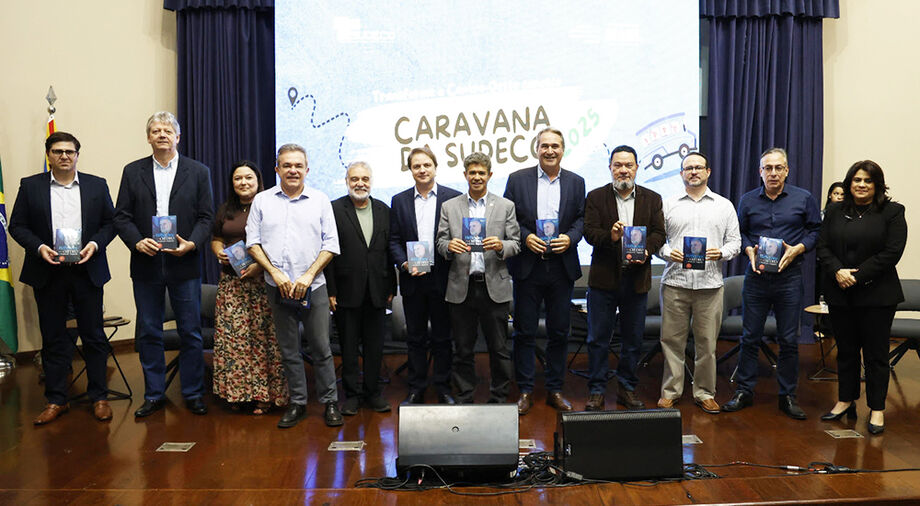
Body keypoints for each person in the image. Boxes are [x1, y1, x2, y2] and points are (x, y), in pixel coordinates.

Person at [9, 131, 116, 425]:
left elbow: (111, 223)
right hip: (48, 272)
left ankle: (99, 397)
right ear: (49, 155)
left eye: (70, 151)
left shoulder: (97, 185)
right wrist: (40, 247)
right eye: (58, 151)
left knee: (94, 336)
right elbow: (17, 225)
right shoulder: (30, 186)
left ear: (78, 155)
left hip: (87, 270)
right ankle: (57, 400)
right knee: (54, 338)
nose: (64, 156)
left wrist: (94, 245)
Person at [113, 112, 213, 417]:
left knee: (191, 332)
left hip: (184, 264)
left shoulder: (198, 171)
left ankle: (193, 392)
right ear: (148, 137)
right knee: (150, 332)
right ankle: (154, 394)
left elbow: (206, 218)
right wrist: (136, 241)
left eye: (167, 130)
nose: (162, 135)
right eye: (155, 130)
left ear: (177, 137)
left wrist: (192, 244)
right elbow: (121, 217)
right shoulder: (133, 171)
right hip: (146, 263)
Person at [246, 144, 343, 429]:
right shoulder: (262, 201)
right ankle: (298, 403)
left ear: (307, 170)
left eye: (298, 165)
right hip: (276, 287)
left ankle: (329, 403)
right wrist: (275, 273)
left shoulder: (321, 200)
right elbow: (252, 242)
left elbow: (331, 245)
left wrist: (308, 276)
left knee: (321, 347)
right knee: (288, 349)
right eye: (286, 165)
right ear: (277, 169)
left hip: (314, 287)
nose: (292, 170)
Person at [722, 147, 821, 419]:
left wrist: (799, 248)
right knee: (750, 337)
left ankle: (787, 396)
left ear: (787, 170)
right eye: (768, 168)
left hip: (789, 278)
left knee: (789, 340)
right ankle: (744, 390)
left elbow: (815, 231)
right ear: (760, 172)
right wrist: (748, 249)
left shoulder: (804, 198)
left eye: (779, 168)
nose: (773, 173)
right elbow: (739, 232)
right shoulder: (748, 200)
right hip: (756, 278)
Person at [816, 160, 906, 435]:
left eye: (867, 180)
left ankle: (877, 409)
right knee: (846, 351)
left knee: (876, 354)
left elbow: (892, 252)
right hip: (840, 292)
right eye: (857, 180)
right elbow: (823, 246)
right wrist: (838, 272)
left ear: (877, 184)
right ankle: (846, 399)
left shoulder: (892, 211)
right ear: (849, 183)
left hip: (877, 295)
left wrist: (857, 274)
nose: (862, 185)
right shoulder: (834, 211)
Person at [503, 127, 585, 415]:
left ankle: (555, 389)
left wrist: (571, 238)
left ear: (563, 149)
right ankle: (525, 391)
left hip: (561, 268)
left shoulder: (576, 182)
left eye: (555, 146)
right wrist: (525, 236)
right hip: (528, 266)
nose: (550, 150)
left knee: (559, 332)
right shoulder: (517, 179)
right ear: (535, 149)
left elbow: (580, 219)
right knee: (524, 332)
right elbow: (507, 218)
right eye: (544, 146)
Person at [656, 152, 740, 414]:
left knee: (707, 344)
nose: (693, 172)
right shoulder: (668, 205)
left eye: (698, 167)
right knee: (671, 341)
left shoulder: (724, 205)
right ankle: (670, 392)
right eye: (688, 168)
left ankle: (704, 392)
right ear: (682, 173)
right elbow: (657, 241)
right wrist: (668, 252)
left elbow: (735, 242)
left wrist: (722, 253)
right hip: (675, 283)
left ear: (708, 172)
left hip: (710, 285)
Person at [582, 145, 665, 411]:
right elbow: (589, 234)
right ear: (610, 168)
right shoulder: (595, 197)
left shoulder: (652, 198)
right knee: (597, 339)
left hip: (637, 280)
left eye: (628, 165)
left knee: (633, 339)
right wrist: (611, 237)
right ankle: (596, 390)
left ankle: (627, 388)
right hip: (603, 281)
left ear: (637, 167)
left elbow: (659, 234)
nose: (623, 170)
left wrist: (647, 250)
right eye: (618, 165)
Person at [436, 152, 520, 404]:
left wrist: (500, 246)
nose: (476, 177)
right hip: (462, 287)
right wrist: (449, 246)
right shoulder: (450, 206)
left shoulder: (506, 206)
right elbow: (439, 242)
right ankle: (464, 397)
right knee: (462, 349)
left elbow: (516, 244)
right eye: (472, 173)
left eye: (481, 173)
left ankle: (499, 398)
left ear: (490, 175)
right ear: (465, 175)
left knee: (499, 349)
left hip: (494, 285)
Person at [210, 161, 287, 415]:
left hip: (262, 282)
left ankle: (265, 395)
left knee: (263, 339)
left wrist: (259, 266)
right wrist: (219, 251)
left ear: (258, 180)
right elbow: (217, 238)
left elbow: (280, 241)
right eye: (238, 178)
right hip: (232, 285)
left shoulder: (271, 206)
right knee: (234, 340)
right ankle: (237, 394)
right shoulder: (225, 209)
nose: (243, 182)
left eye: (248, 178)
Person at [389, 146, 462, 405]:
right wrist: (404, 263)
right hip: (413, 279)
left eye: (426, 165)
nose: (422, 170)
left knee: (443, 337)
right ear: (410, 170)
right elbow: (394, 240)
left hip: (444, 279)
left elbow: (458, 237)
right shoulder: (399, 200)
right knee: (416, 338)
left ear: (435, 167)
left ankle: (443, 387)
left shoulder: (453, 198)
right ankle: (416, 388)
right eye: (416, 166)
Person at [324, 161, 397, 415]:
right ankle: (352, 395)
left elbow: (390, 251)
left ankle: (374, 393)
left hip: (378, 289)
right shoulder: (334, 209)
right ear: (347, 181)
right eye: (355, 179)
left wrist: (392, 287)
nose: (360, 183)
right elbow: (328, 253)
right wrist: (330, 290)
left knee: (375, 346)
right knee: (349, 345)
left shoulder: (384, 209)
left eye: (365, 179)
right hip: (345, 290)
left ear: (371, 181)